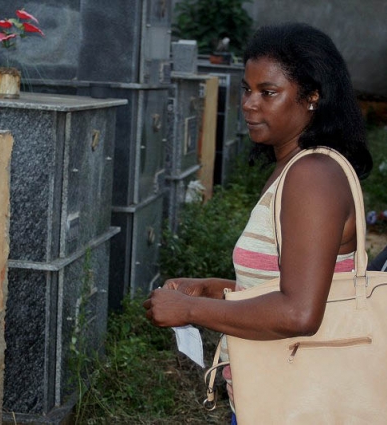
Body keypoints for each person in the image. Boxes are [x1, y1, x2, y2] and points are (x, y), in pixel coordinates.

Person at [143, 22, 373, 420]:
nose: (249, 104)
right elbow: (293, 286)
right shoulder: (293, 169)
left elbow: (299, 311)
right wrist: (214, 290)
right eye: (248, 90)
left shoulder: (313, 175)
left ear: (312, 97)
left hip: (298, 405)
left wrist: (189, 311)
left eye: (268, 93)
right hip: (271, 395)